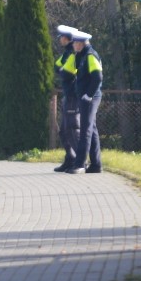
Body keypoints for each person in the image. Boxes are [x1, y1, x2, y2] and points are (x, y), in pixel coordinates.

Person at [66, 29, 103, 174]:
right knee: (91, 129)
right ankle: (96, 165)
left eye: (75, 42)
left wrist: (88, 95)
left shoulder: (90, 55)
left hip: (90, 98)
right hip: (86, 97)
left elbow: (97, 77)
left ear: (81, 43)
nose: (73, 45)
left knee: (85, 130)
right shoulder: (81, 56)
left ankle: (80, 164)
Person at [53, 24, 80, 172]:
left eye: (61, 37)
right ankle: (70, 158)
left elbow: (66, 73)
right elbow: (57, 67)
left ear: (68, 38)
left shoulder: (73, 53)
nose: (59, 40)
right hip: (67, 94)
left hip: (73, 95)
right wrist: (62, 69)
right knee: (63, 130)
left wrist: (63, 70)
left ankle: (80, 160)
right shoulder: (66, 53)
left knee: (72, 128)